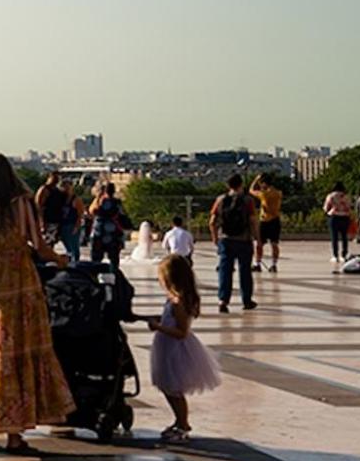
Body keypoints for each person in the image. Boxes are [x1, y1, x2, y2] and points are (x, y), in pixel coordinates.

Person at [0, 151, 73, 453]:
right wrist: (60, 260)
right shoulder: (23, 205)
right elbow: (40, 246)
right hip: (22, 287)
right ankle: (16, 433)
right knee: (19, 356)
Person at [145, 253, 222, 445]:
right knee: (169, 388)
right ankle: (179, 421)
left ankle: (183, 423)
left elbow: (181, 332)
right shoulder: (175, 299)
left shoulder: (178, 302)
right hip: (167, 347)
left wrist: (158, 327)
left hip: (174, 349)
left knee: (174, 389)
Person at [209, 175, 258, 314]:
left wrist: (215, 238)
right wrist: (257, 238)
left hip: (225, 240)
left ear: (228, 185)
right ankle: (247, 300)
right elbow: (253, 220)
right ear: (241, 185)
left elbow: (212, 222)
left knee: (225, 270)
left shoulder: (220, 200)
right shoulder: (248, 200)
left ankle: (223, 300)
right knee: (245, 271)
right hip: (244, 240)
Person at [86, 183, 132, 269]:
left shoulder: (99, 201)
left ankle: (95, 276)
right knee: (114, 259)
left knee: (96, 259)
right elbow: (122, 215)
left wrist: (98, 197)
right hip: (113, 233)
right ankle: (114, 276)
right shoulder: (117, 203)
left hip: (99, 232)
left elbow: (91, 212)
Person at [252, 175, 284, 274]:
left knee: (259, 243)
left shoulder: (264, 194)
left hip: (265, 220)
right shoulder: (278, 193)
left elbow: (251, 190)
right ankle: (274, 264)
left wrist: (255, 180)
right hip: (275, 220)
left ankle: (257, 264)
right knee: (274, 243)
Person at [323, 183, 353, 269]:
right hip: (345, 217)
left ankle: (335, 255)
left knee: (334, 237)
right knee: (344, 237)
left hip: (334, 217)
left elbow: (326, 207)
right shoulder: (346, 196)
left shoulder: (331, 196)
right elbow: (349, 206)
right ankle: (344, 254)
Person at [36, 173, 67, 251]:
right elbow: (39, 205)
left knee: (52, 241)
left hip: (56, 220)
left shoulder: (58, 191)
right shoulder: (45, 189)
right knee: (47, 241)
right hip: (48, 220)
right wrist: (41, 221)